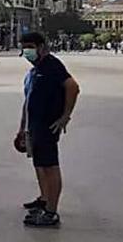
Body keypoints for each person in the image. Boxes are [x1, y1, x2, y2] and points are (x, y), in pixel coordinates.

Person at [17, 32, 80, 228]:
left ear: (41, 46)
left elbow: (73, 87)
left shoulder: (52, 66)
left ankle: (51, 212)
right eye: (24, 47)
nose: (26, 51)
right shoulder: (36, 69)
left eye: (29, 46)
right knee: (40, 165)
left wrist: (65, 116)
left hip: (47, 125)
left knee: (50, 167)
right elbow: (28, 100)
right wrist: (22, 127)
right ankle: (44, 200)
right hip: (34, 125)